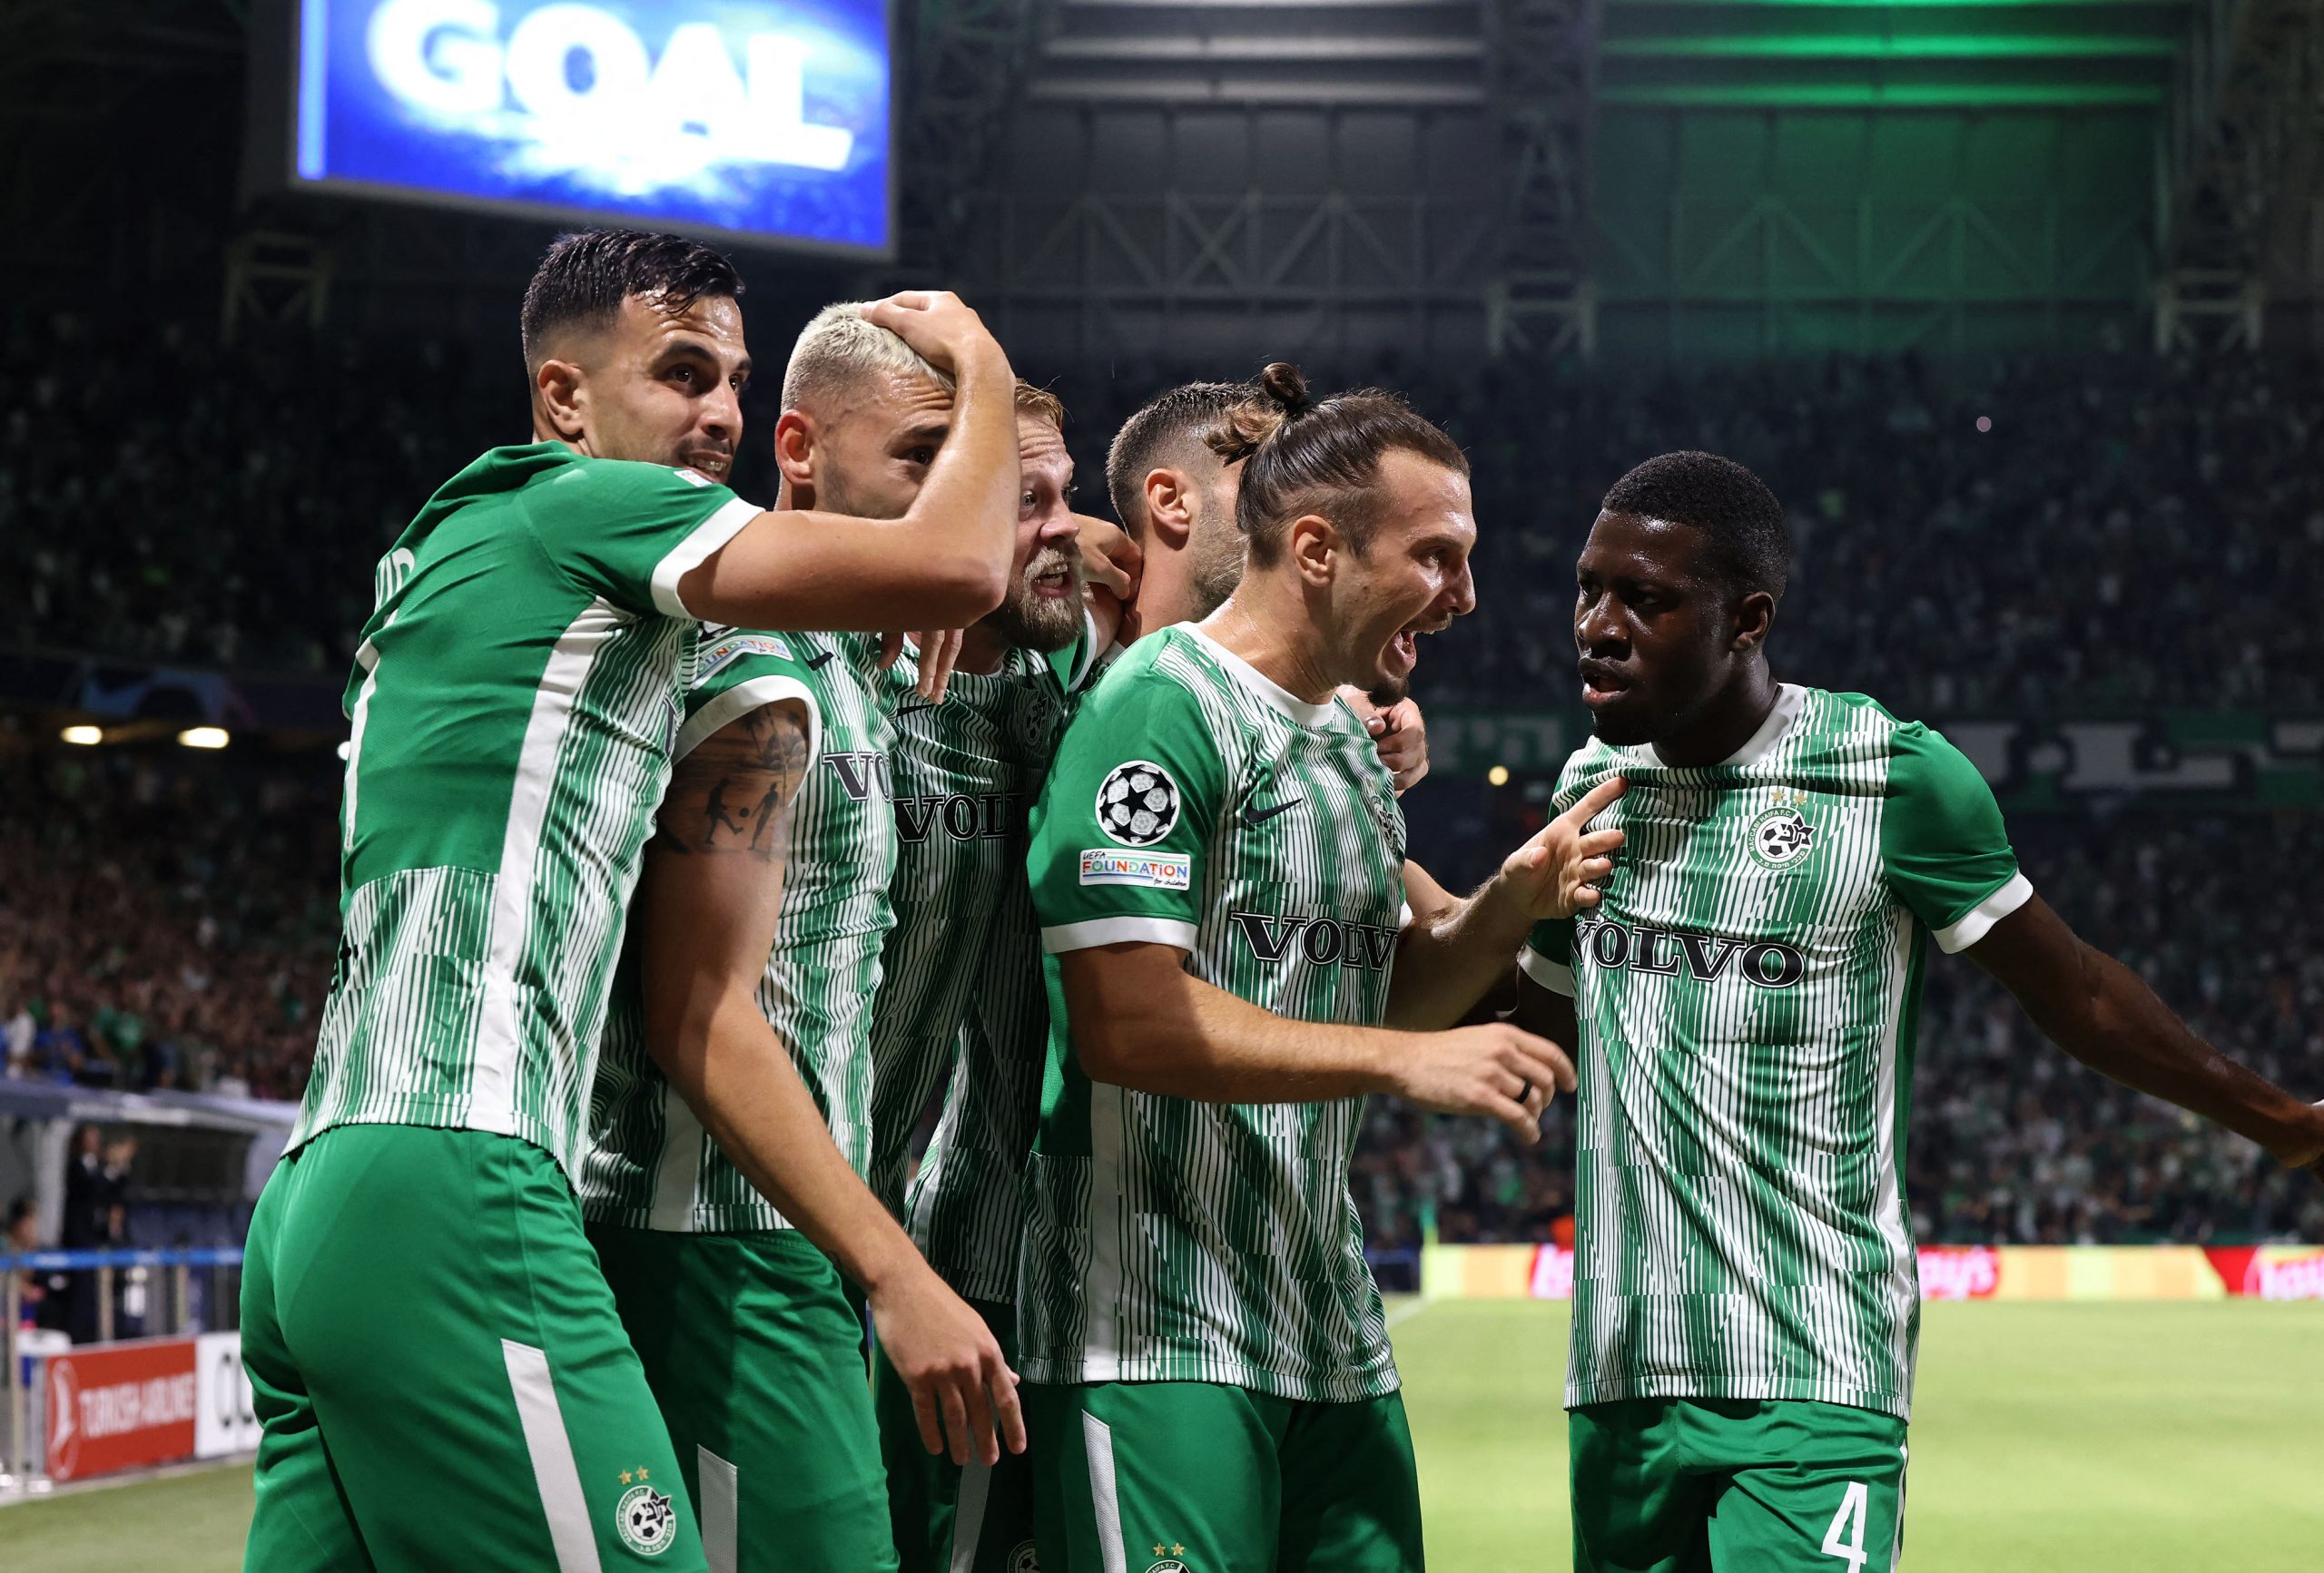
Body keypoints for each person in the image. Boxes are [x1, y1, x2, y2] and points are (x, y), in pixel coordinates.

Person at [238, 231, 1023, 1573]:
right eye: (680, 373)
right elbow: (963, 566)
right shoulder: (589, 507)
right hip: (462, 1165)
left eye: (733, 379)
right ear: (564, 396)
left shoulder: (474, 536)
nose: (718, 413)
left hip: (323, 1187)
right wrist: (983, 367)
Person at [1511, 450, 2324, 1573]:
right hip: (1618, 1379)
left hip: (1813, 1371)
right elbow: (1530, 1036)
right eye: (1589, 589)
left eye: (1644, 599)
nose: (1599, 627)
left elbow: (2079, 992)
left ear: (1747, 619)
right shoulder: (1587, 790)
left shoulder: (1888, 776)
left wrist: (2286, 1123)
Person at [1017, 364, 1621, 1572]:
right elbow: (1127, 1021)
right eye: (1437, 557)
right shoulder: (1159, 707)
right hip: (1158, 1330)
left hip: (1329, 1330)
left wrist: (1508, 903)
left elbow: (1383, 990)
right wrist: (1401, 1064)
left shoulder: (1349, 738)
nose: (1464, 596)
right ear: (1314, 548)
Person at [580, 308, 1060, 1573]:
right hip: (707, 1235)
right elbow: (699, 1011)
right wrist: (898, 1271)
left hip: (795, 1232)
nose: (959, 507)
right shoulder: (745, 649)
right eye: (921, 462)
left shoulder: (861, 661)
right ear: (798, 449)